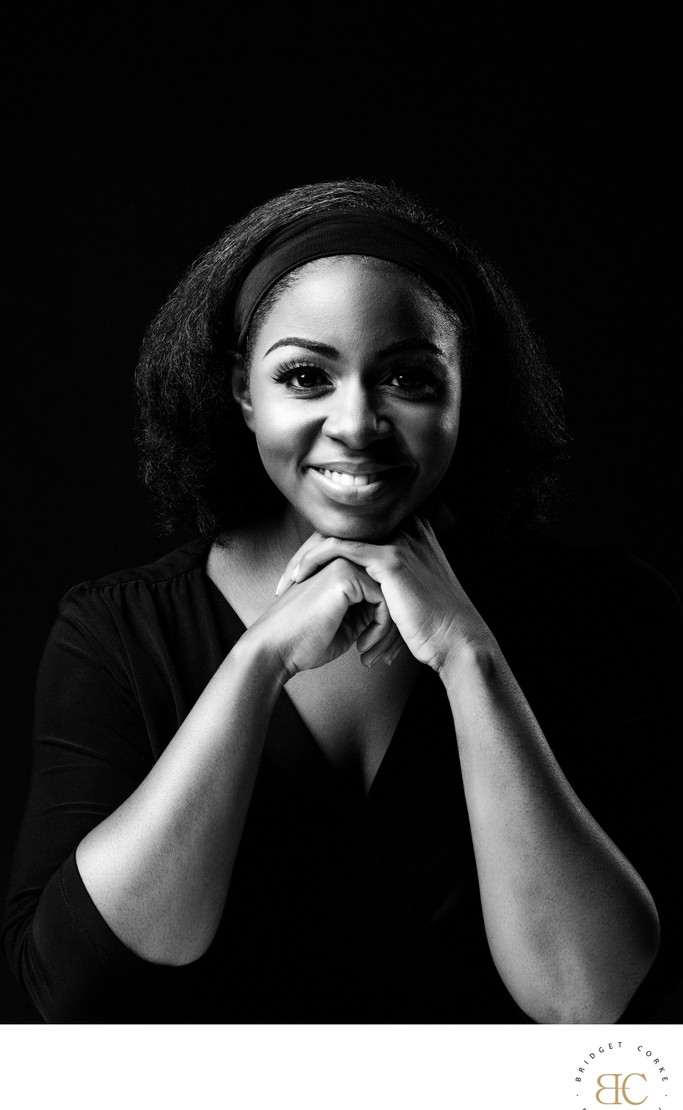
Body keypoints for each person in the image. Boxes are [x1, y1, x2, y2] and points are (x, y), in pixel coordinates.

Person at [3, 179, 681, 1024]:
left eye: (406, 375)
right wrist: (257, 660)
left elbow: (599, 1011)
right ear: (243, 395)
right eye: (304, 376)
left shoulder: (605, 615)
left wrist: (468, 657)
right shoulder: (114, 633)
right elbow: (72, 1001)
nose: (356, 422)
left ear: (467, 391)